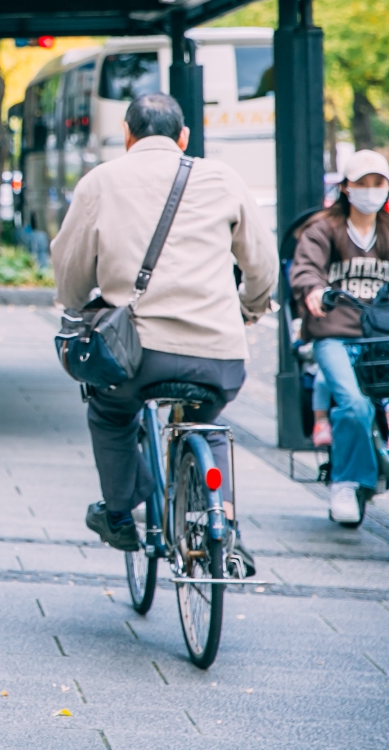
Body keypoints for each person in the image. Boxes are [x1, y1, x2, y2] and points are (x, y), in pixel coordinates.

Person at [52, 93, 274, 557]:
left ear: (127, 135)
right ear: (183, 136)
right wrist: (249, 309)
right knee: (206, 423)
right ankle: (222, 525)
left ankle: (119, 512)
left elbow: (70, 268)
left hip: (137, 358)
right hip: (219, 357)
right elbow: (262, 264)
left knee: (110, 414)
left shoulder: (100, 182)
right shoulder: (224, 178)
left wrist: (76, 303)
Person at [289, 147, 389, 527]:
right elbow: (305, 270)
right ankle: (347, 482)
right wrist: (314, 290)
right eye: (363, 182)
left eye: (378, 182)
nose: (371, 189)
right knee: (354, 404)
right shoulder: (324, 229)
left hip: (381, 336)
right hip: (335, 335)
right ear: (347, 187)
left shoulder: (387, 229)